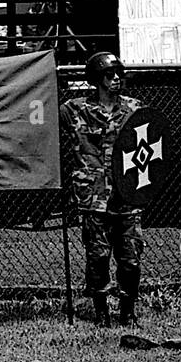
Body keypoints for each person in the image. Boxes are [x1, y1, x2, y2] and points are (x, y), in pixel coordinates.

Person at [60, 52, 144, 326]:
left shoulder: (133, 108)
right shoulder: (75, 110)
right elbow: (41, 109)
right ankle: (101, 310)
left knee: (130, 258)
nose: (117, 79)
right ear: (97, 80)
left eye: (119, 73)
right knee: (97, 256)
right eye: (110, 75)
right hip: (94, 196)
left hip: (127, 195)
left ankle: (128, 309)